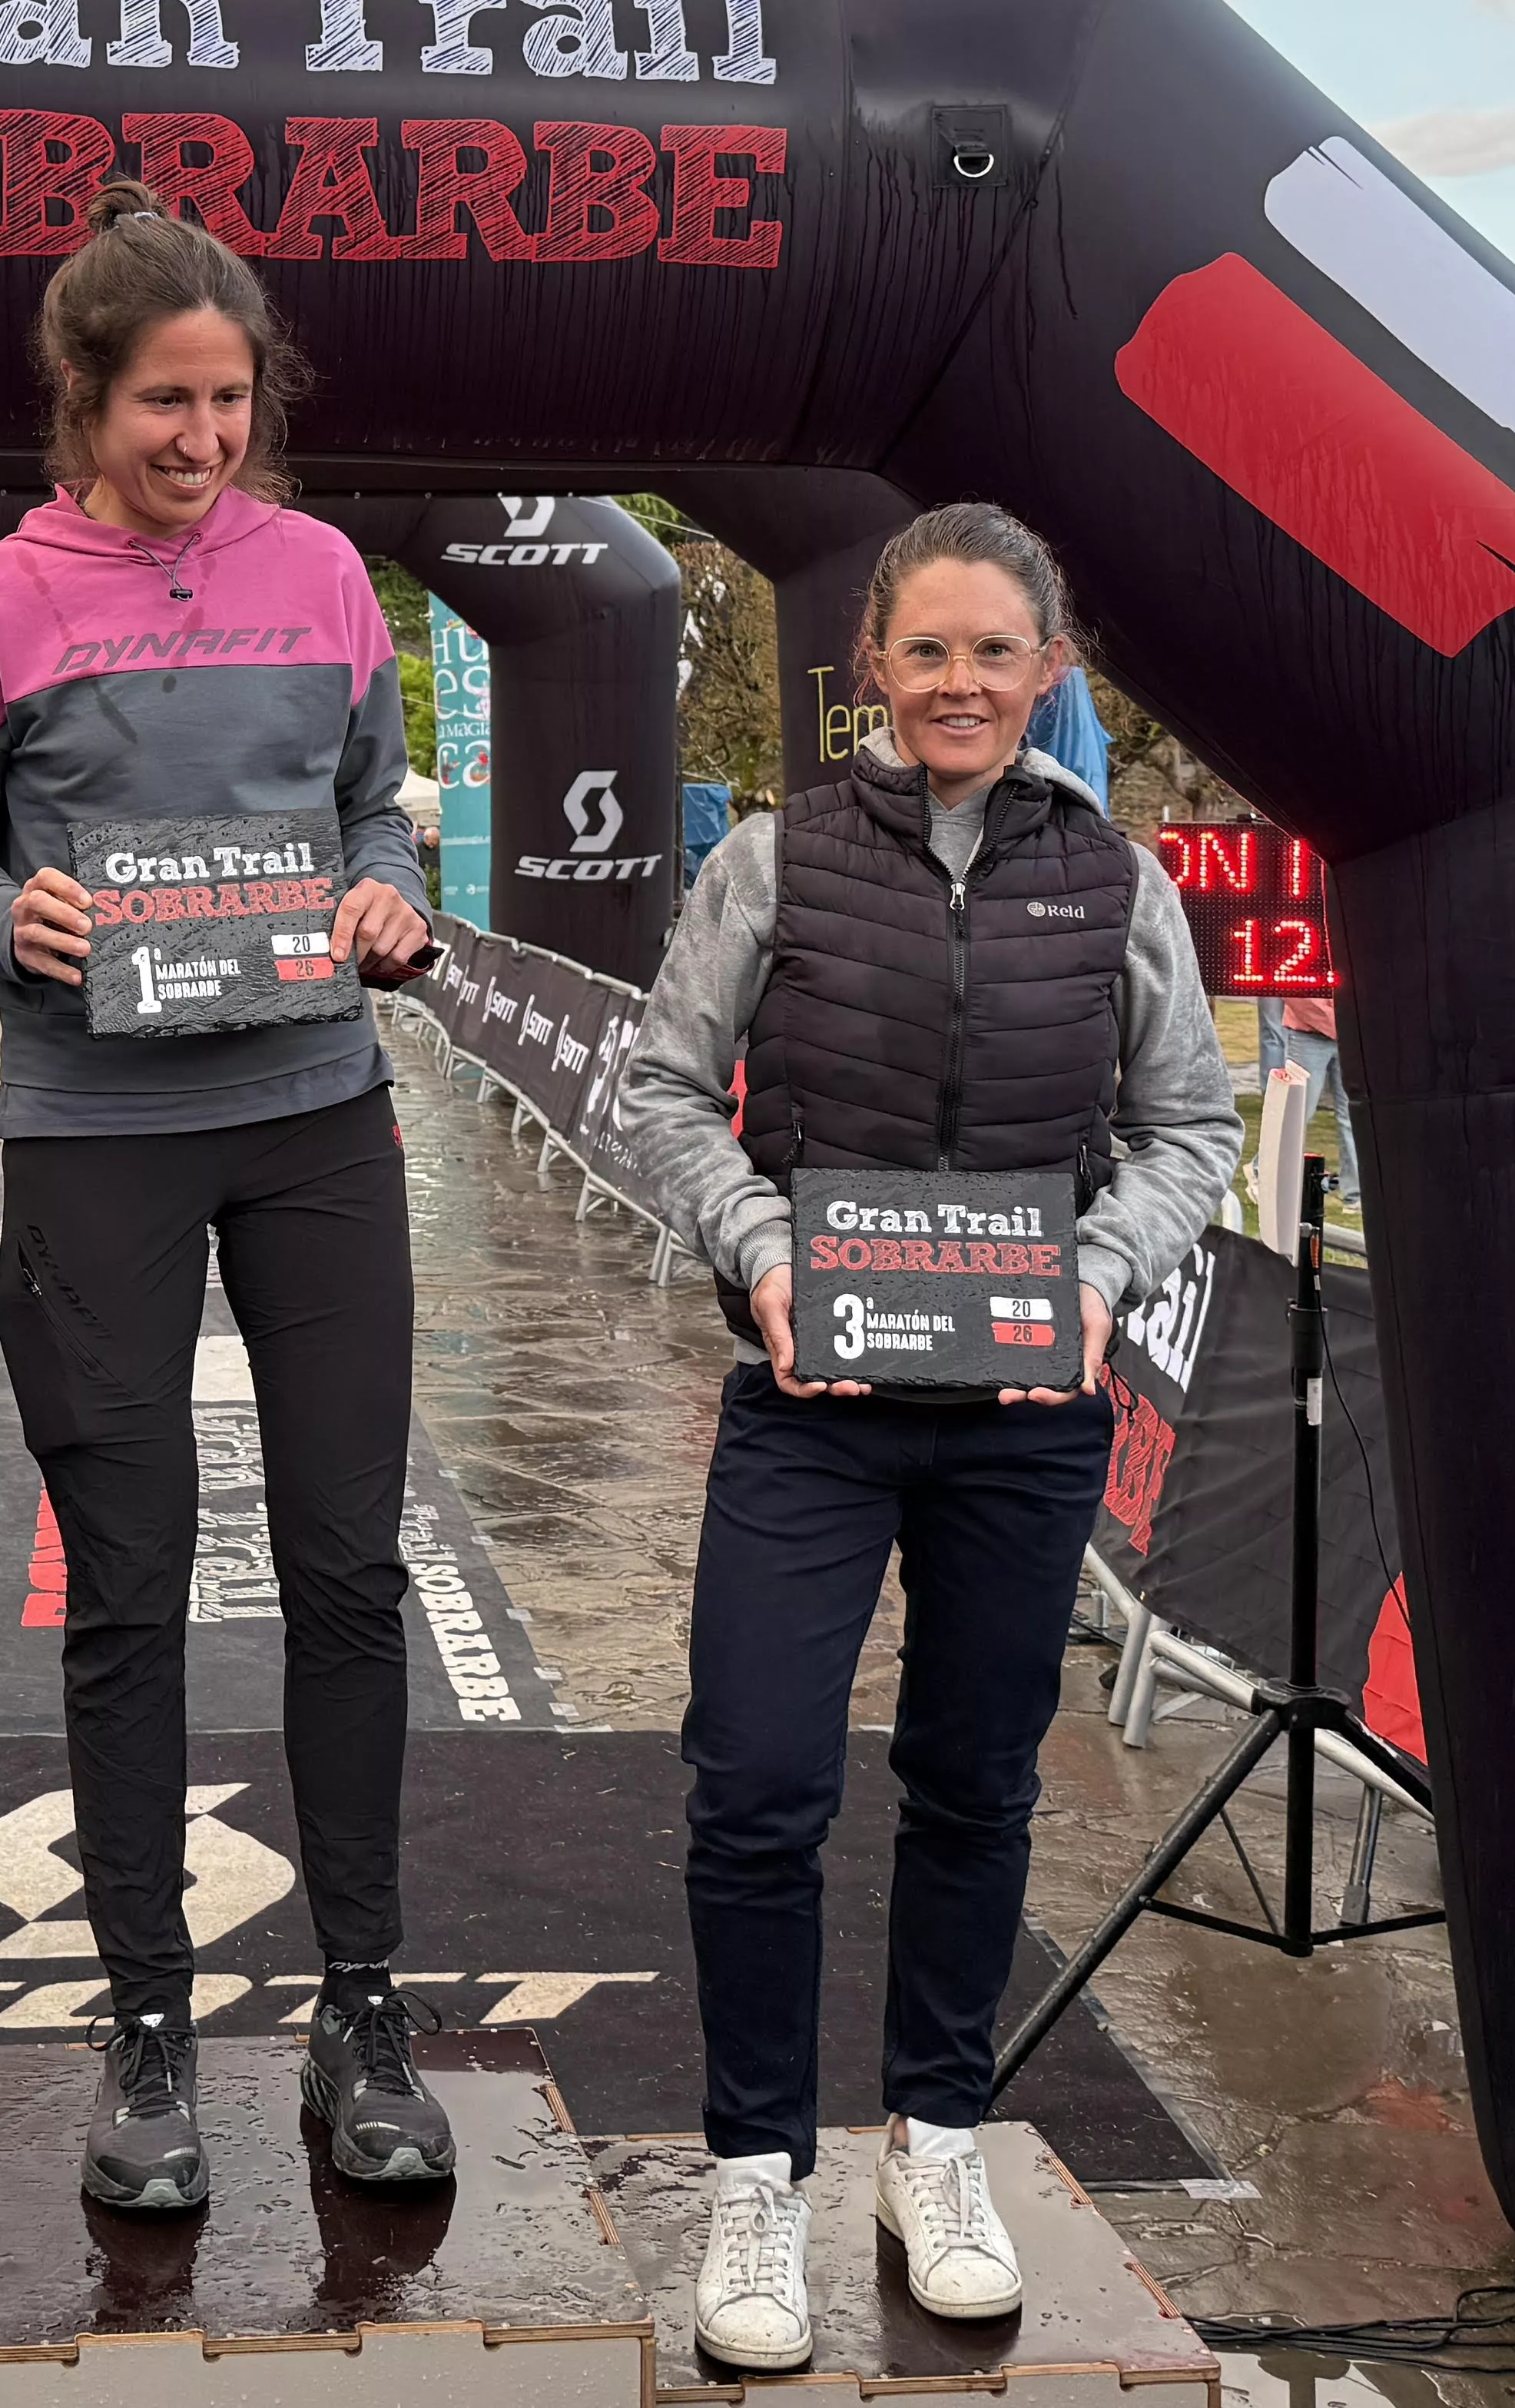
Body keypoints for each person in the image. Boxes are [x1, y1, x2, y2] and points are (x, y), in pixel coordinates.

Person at [622, 504, 1239, 2367]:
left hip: (1024, 1423)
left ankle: (935, 2136)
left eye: (997, 653)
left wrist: (1102, 1275)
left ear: (1046, 671)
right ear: (869, 669)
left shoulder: (1116, 877)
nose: (961, 683)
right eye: (928, 650)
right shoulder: (770, 859)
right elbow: (657, 1081)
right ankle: (753, 2170)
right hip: (812, 1404)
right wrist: (757, 1249)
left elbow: (1188, 1126)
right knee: (757, 1778)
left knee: (976, 1786)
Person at [0, 177, 446, 2211]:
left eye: (228, 404)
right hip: (96, 1133)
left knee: (348, 1574)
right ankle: (148, 2033)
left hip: (313, 1111)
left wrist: (390, 896)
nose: (203, 443)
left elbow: (375, 806)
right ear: (83, 399)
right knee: (128, 1591)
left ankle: (363, 2013)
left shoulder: (321, 573)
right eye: (164, 408)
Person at [1274, 993, 1360, 1206]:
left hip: (1350, 1034)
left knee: (1354, 1113)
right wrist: (1337, 1022)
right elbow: (1295, 993)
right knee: (1299, 1110)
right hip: (1308, 1035)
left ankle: (1355, 1192)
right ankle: (1264, 1170)